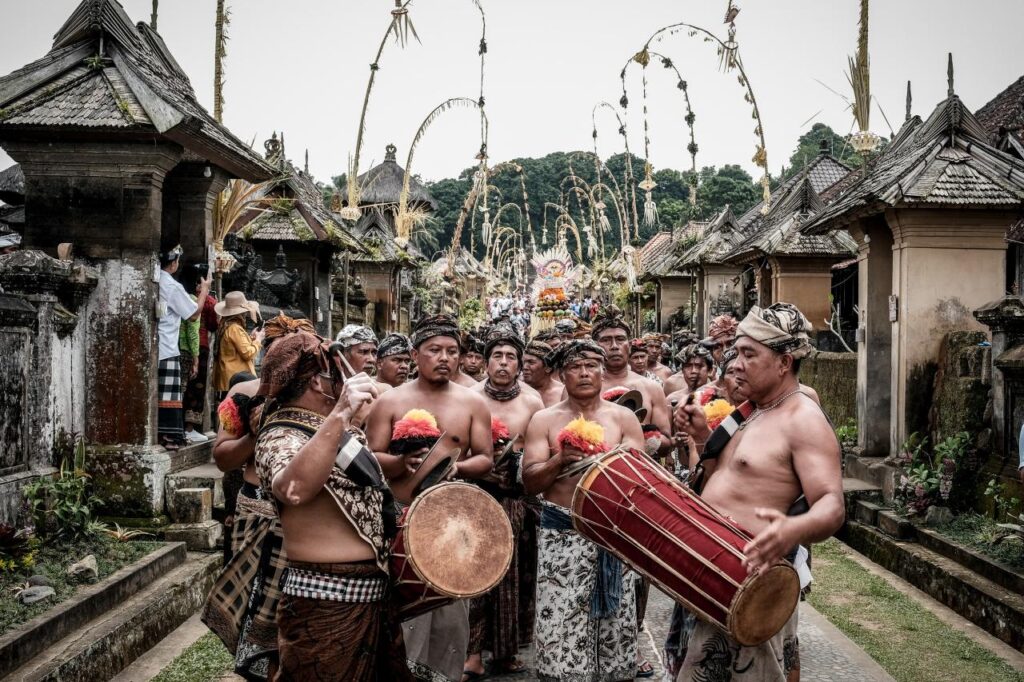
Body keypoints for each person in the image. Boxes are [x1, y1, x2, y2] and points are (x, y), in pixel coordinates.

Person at [673, 303, 844, 682]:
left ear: (784, 362)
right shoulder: (752, 411)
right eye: (737, 352)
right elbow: (724, 479)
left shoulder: (803, 419)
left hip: (755, 581)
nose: (739, 362)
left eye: (750, 354)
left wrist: (790, 529)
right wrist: (702, 436)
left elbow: (832, 504)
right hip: (717, 574)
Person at [253, 328, 411, 681]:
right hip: (323, 605)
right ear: (315, 383)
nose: (344, 381)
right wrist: (340, 413)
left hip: (373, 598)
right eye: (334, 374)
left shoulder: (337, 429)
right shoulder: (280, 433)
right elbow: (292, 489)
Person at [365, 314, 494, 682]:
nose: (445, 358)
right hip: (397, 518)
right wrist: (401, 461)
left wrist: (460, 468)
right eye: (434, 350)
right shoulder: (389, 402)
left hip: (451, 521)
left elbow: (485, 457)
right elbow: (370, 457)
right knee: (398, 611)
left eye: (452, 351)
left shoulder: (473, 403)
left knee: (449, 613)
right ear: (414, 354)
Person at [522, 340, 645, 682]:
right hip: (561, 537)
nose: (585, 372)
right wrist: (559, 460)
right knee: (559, 628)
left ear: (603, 371)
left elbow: (641, 481)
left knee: (615, 630)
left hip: (612, 537)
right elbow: (530, 483)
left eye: (592, 365)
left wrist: (611, 462)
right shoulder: (543, 420)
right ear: (562, 374)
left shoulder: (624, 418)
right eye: (575, 366)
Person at [202, 314, 316, 680]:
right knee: (254, 609)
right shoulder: (244, 395)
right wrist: (256, 435)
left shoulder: (323, 399)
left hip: (304, 515)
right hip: (256, 510)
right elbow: (222, 459)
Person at [464, 325, 544, 679]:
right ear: (485, 362)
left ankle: (506, 652)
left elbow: (538, 450)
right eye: (497, 355)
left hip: (516, 500)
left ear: (520, 364)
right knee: (474, 576)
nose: (503, 362)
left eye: (511, 356)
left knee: (514, 579)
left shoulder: (531, 401)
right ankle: (471, 653)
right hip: (475, 495)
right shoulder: (469, 397)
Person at [589, 310, 672, 456]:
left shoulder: (651, 387)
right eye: (606, 340)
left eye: (620, 339)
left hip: (642, 471)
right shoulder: (582, 387)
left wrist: (645, 434)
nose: (614, 346)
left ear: (629, 344)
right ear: (595, 345)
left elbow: (667, 445)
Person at [158, 245, 211, 449]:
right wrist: (205, 290)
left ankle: (163, 434)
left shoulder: (154, 280)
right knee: (170, 396)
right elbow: (194, 314)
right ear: (173, 263)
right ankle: (169, 436)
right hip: (168, 347)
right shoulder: (171, 286)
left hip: (157, 346)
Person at [183, 274, 218, 444]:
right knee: (197, 387)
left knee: (185, 385)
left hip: (181, 346)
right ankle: (189, 428)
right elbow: (213, 325)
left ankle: (186, 427)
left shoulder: (184, 297)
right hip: (200, 346)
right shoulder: (208, 301)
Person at [214, 291, 263, 399]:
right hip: (236, 379)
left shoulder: (226, 325)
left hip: (227, 377)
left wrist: (251, 338)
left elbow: (236, 347)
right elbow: (248, 353)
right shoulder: (235, 328)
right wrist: (258, 340)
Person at [522, 339, 563, 408]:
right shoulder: (517, 391)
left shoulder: (562, 393)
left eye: (531, 362)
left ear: (548, 368)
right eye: (523, 362)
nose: (524, 367)